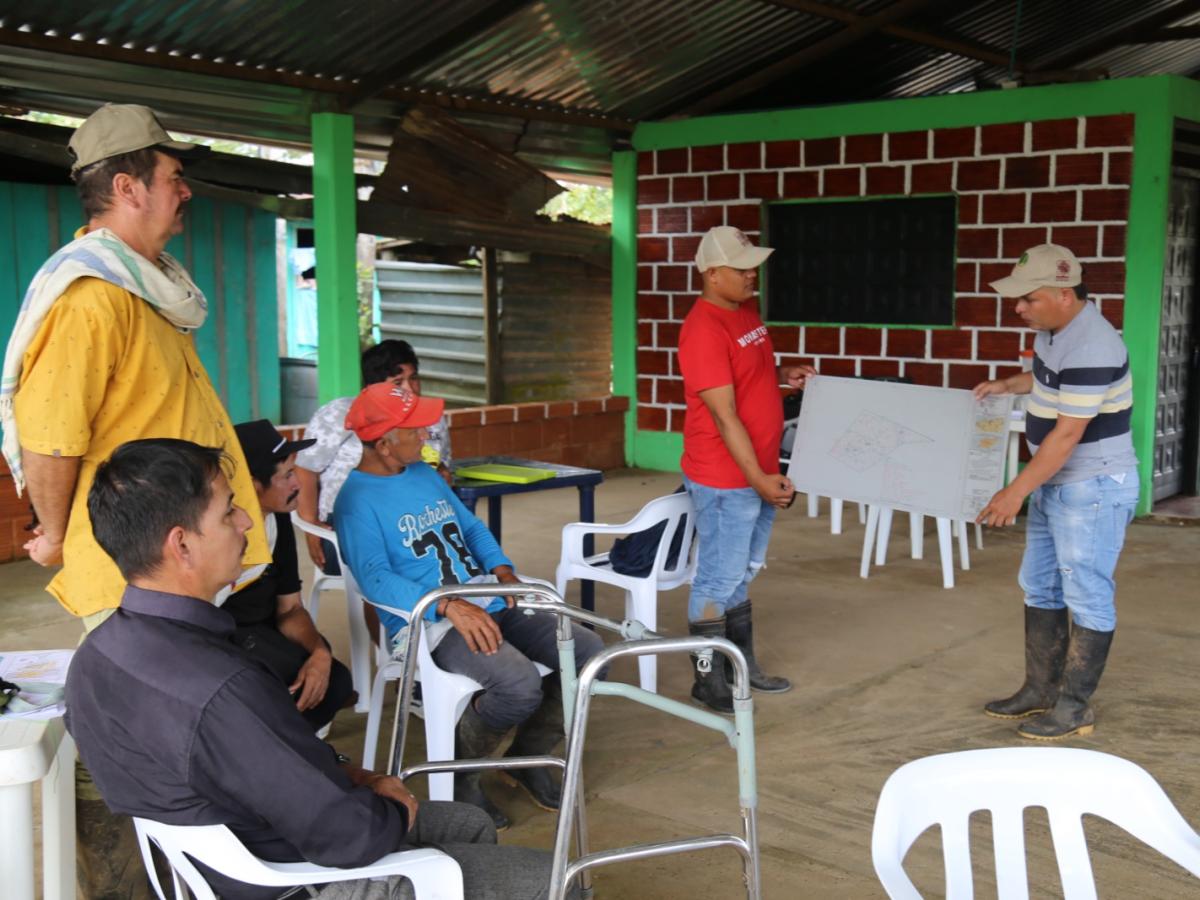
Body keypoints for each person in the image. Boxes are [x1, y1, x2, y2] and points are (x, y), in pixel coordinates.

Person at [67, 438, 574, 900]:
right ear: (181, 545)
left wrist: (346, 772)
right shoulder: (223, 686)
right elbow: (350, 836)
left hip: (222, 859)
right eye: (228, 513)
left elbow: (256, 765)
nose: (246, 521)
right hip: (297, 880)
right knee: (559, 882)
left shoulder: (95, 658)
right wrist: (391, 800)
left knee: (466, 823)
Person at [0, 102, 269, 897]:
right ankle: (122, 876)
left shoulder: (146, 289)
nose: (186, 192)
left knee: (165, 723)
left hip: (175, 555)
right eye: (174, 179)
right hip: (132, 560)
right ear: (129, 186)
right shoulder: (93, 297)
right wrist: (52, 528)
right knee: (134, 737)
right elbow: (51, 436)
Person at [333, 382, 605, 830]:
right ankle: (460, 773)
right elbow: (376, 579)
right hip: (429, 624)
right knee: (518, 685)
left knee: (589, 653)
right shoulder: (355, 502)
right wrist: (449, 607)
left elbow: (471, 530)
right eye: (415, 431)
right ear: (383, 444)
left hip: (484, 596)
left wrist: (502, 571)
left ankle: (528, 757)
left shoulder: (421, 474)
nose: (427, 437)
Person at [974, 243, 1139, 741]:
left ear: (1064, 294)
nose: (1018, 307)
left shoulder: (1093, 345)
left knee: (1086, 592)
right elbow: (1050, 380)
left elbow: (1067, 435)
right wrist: (1010, 384)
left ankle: (1074, 706)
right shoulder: (1055, 332)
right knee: (1040, 585)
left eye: (1029, 298)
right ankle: (1040, 690)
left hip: (1091, 487)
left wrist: (1014, 492)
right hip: (1060, 484)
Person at [677, 226, 815, 714]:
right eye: (740, 269)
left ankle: (740, 666)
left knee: (741, 572)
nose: (751, 275)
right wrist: (758, 478)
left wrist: (783, 376)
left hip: (754, 468)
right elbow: (723, 413)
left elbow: (747, 378)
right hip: (724, 476)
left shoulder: (744, 313)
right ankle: (709, 682)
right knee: (717, 577)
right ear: (712, 275)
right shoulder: (703, 330)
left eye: (752, 265)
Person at [224, 419, 355, 731]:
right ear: (254, 486)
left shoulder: (278, 519)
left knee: (334, 679)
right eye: (286, 475)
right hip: (222, 641)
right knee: (270, 689)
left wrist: (320, 653)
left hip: (264, 632)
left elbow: (291, 608)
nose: (298, 483)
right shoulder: (221, 535)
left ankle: (294, 753)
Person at [296, 339, 452, 576]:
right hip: (348, 527)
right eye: (398, 382)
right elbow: (305, 468)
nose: (410, 389)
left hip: (419, 520)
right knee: (413, 565)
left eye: (414, 378)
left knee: (456, 553)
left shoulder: (433, 418)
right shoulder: (340, 414)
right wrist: (311, 527)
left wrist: (441, 473)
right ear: (374, 387)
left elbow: (441, 465)